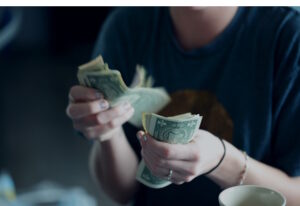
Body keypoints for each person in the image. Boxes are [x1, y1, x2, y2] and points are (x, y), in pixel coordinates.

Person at [66, 7, 300, 206]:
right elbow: (122, 191)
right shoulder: (126, 27)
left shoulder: (289, 38)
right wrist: (108, 132)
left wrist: (222, 160)